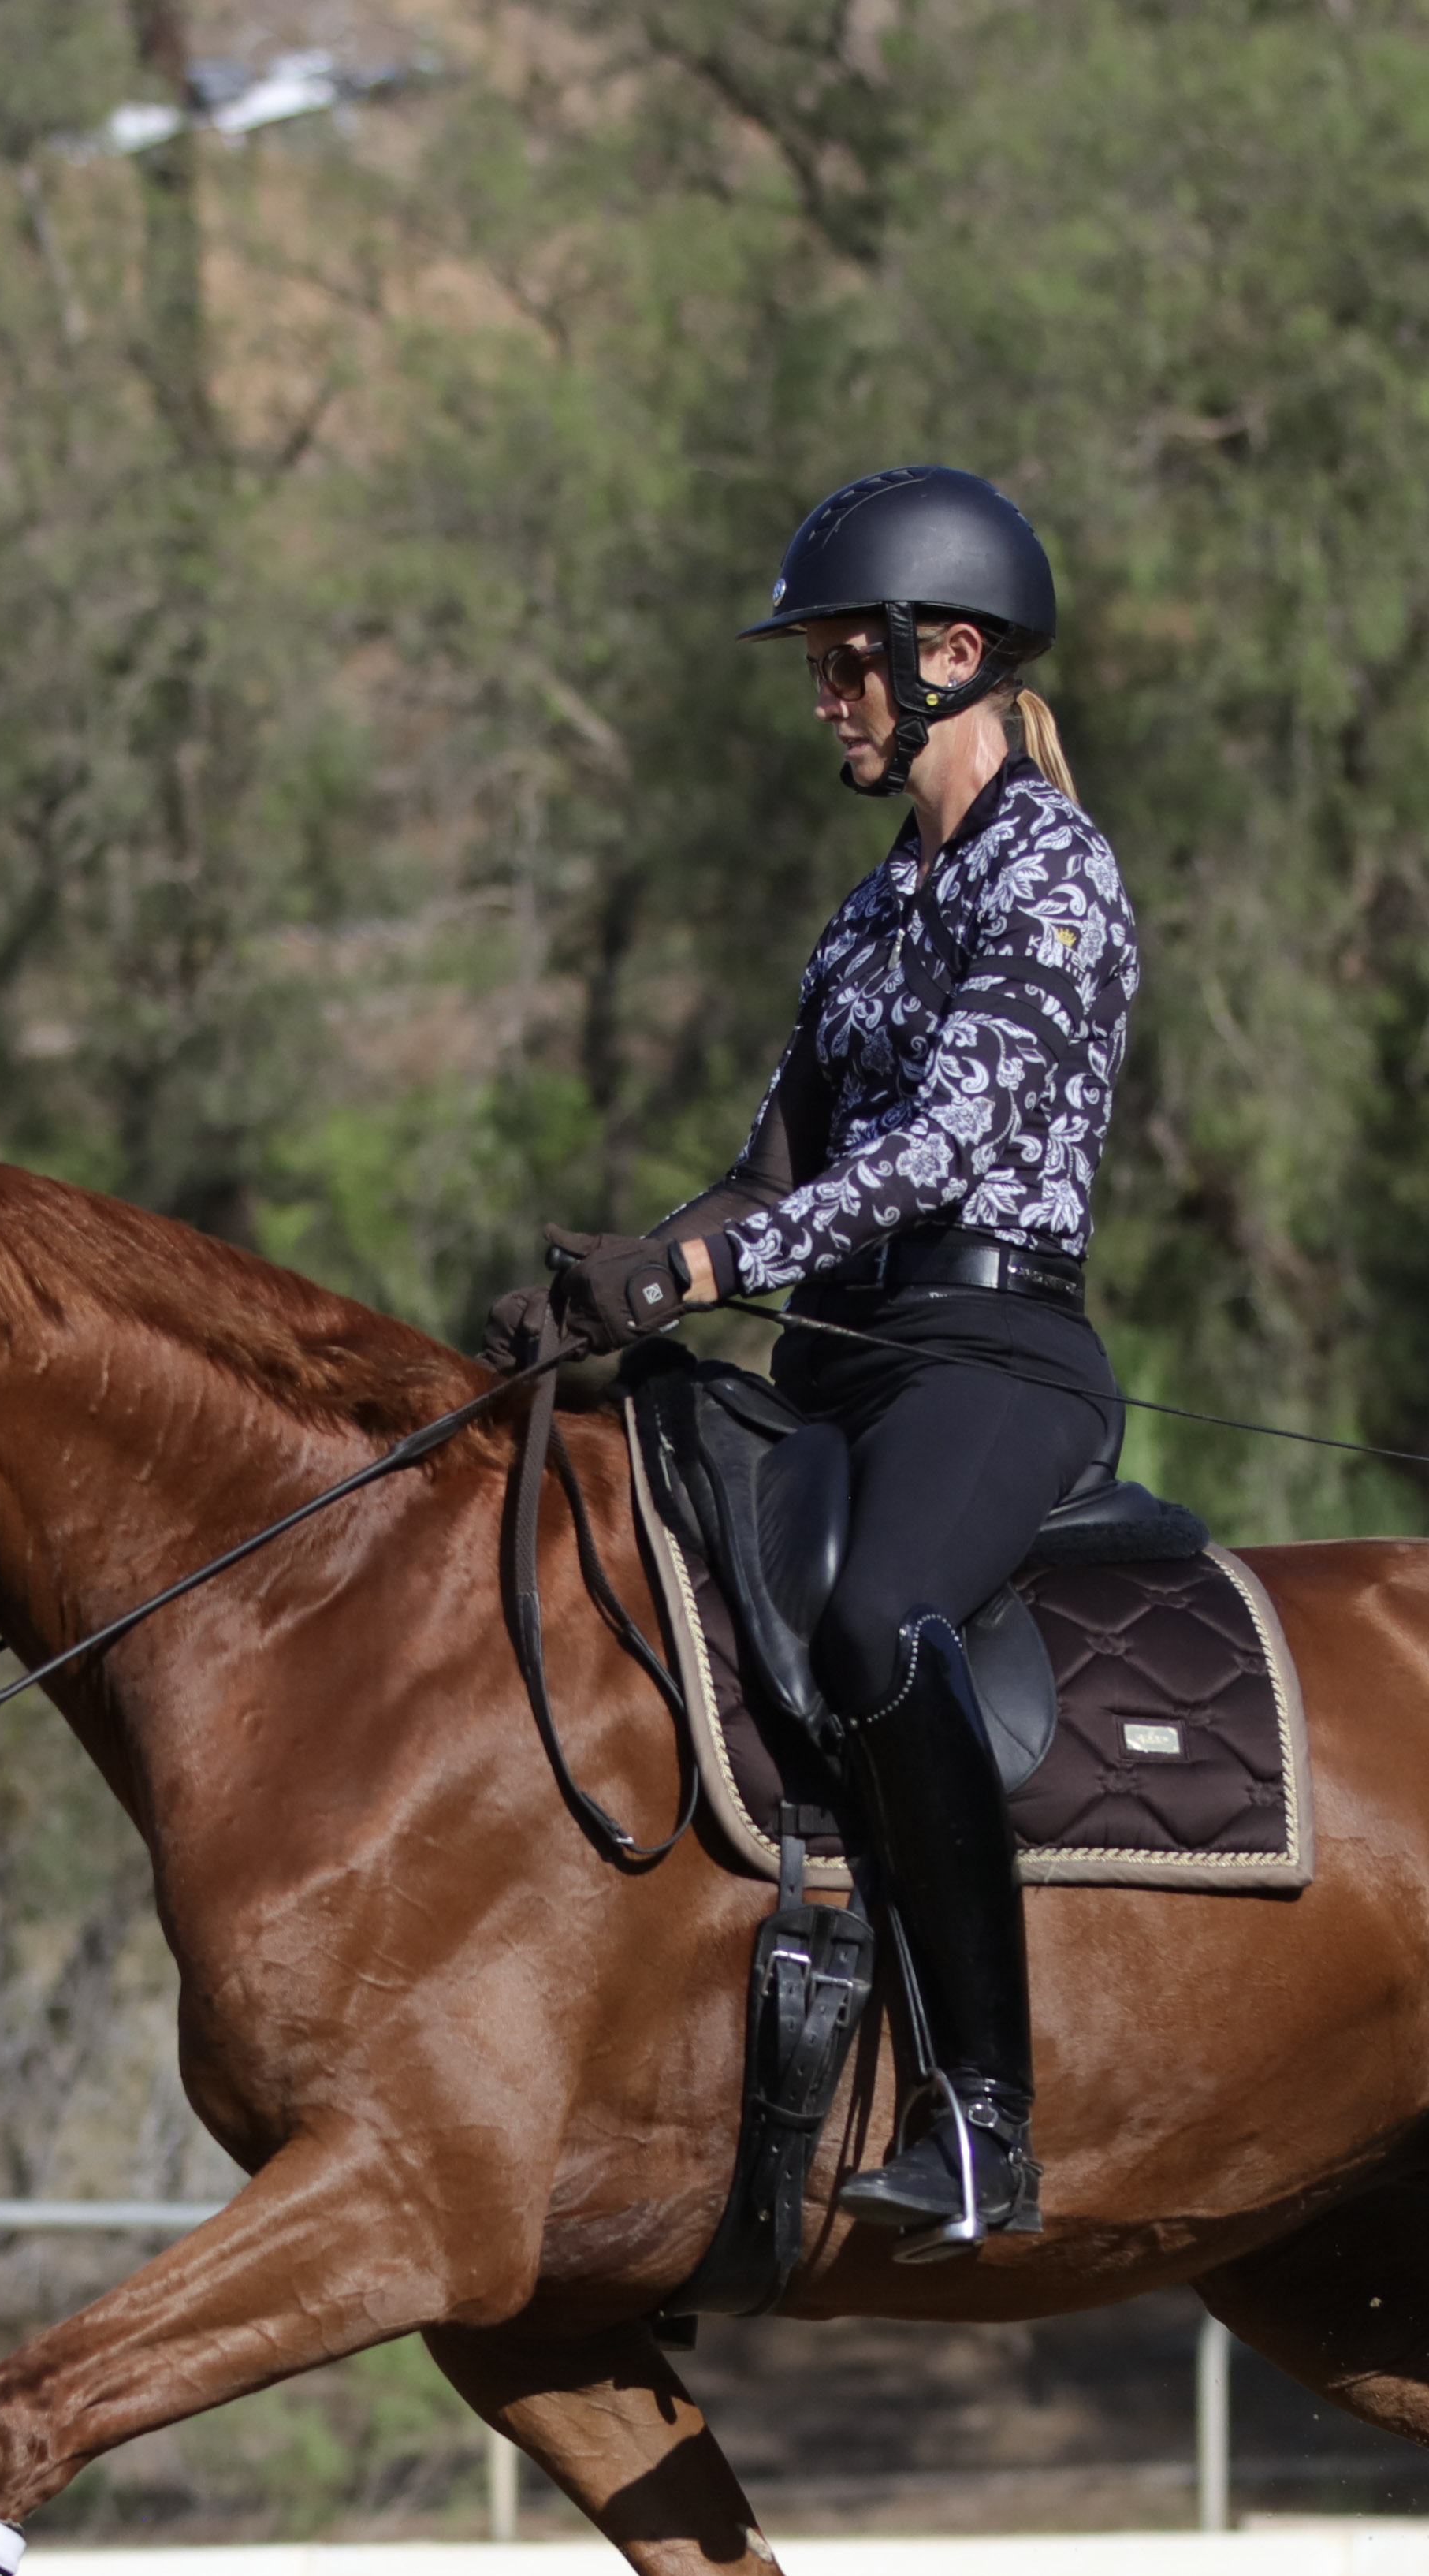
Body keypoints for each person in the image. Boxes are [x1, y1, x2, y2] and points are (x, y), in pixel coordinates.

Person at [539, 466, 1140, 2256]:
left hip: (992, 1352)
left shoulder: (1051, 875)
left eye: (844, 668)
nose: (825, 702)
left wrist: (721, 1260)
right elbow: (781, 1163)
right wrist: (623, 1279)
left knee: (882, 1624)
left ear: (945, 654)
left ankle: (981, 2117)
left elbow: (942, 1146)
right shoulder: (873, 907)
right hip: (837, 1352)